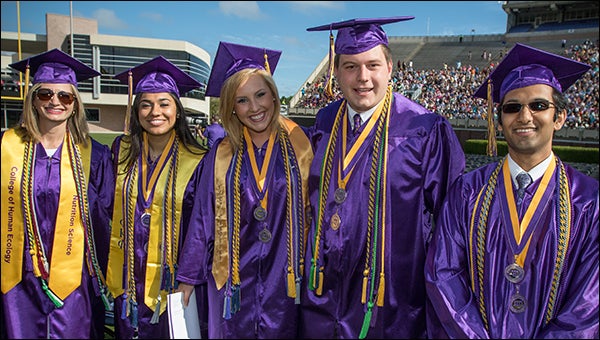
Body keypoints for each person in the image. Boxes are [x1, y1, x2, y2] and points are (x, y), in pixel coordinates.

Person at [301, 17, 466, 338]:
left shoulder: (424, 129)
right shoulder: (324, 121)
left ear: (390, 69)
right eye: (350, 66)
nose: (362, 77)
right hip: (322, 297)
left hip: (392, 302)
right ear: (335, 73)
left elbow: (452, 222)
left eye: (373, 65)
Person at [425, 43, 599, 338]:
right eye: (512, 107)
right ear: (500, 120)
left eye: (539, 105)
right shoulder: (467, 192)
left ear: (559, 118)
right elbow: (443, 275)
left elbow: (589, 303)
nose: (525, 116)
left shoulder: (589, 201)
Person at [176, 41, 313, 338]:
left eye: (261, 94)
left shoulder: (303, 147)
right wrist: (187, 277)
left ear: (274, 96)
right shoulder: (220, 155)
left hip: (286, 278)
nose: (255, 108)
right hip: (232, 283)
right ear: (232, 109)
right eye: (242, 100)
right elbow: (202, 219)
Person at [1, 48, 114, 338]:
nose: (55, 102)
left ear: (75, 104)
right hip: (16, 276)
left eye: (65, 96)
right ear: (33, 99)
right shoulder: (6, 148)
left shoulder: (95, 156)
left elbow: (104, 221)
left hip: (74, 279)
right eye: (45, 94)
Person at [106, 56, 207, 339]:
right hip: (126, 277)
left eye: (164, 103)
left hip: (171, 282)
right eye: (146, 104)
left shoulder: (198, 160)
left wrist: (188, 278)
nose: (155, 112)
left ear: (177, 109)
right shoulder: (121, 152)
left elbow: (200, 228)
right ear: (137, 110)